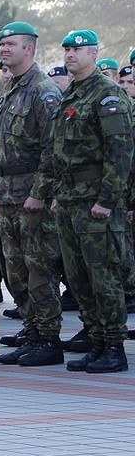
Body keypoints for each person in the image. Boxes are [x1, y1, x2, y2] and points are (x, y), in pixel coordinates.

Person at [52, 30, 133, 374]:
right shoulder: (72, 94)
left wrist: (108, 200)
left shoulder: (108, 94)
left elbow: (120, 152)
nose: (70, 54)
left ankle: (114, 346)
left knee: (104, 276)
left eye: (77, 49)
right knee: (79, 276)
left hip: (95, 202)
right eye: (67, 49)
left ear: (95, 53)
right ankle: (97, 339)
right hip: (71, 200)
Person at [0, 22, 64, 366]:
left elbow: (54, 149)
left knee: (40, 270)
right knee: (16, 271)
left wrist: (40, 193)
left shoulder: (43, 91)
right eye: (2, 44)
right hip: (7, 195)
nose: (4, 49)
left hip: (32, 197)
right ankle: (32, 332)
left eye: (12, 44)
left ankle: (48, 339)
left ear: (30, 49)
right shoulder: (10, 90)